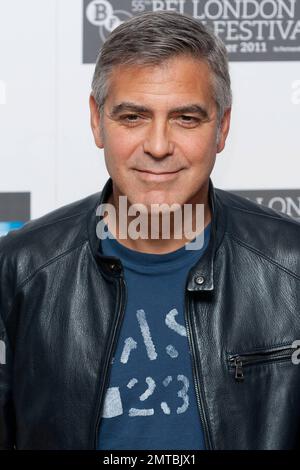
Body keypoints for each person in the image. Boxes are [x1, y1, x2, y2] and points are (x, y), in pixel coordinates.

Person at [0, 10, 300, 451]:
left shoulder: (292, 267)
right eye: (133, 117)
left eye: (186, 118)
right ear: (96, 120)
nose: (158, 146)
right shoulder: (19, 269)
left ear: (223, 127)